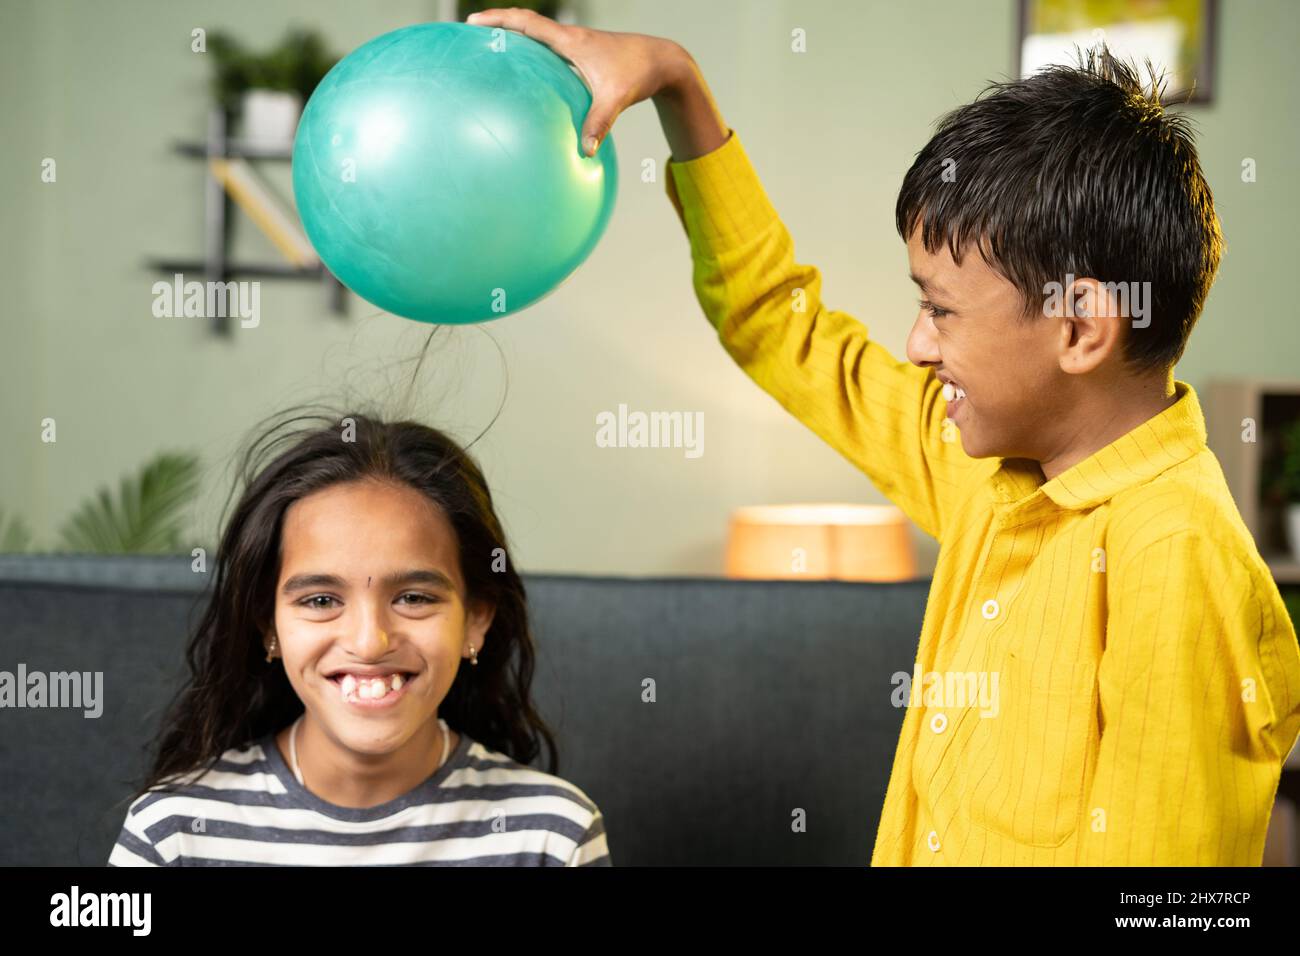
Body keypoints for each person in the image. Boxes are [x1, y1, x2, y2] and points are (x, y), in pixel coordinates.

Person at [465, 7, 1300, 865]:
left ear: (1081, 327)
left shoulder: (1177, 563)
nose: (917, 344)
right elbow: (781, 327)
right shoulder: (987, 462)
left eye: (939, 309)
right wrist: (680, 85)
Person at [109, 407, 610, 865]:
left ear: (475, 619)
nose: (369, 643)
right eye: (321, 601)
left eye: (413, 597)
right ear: (269, 625)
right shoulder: (173, 835)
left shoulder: (553, 837)